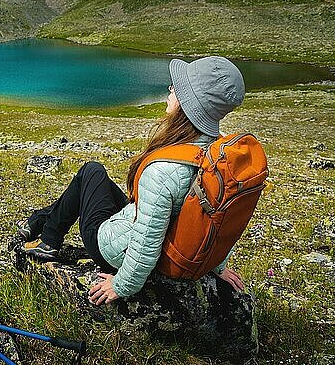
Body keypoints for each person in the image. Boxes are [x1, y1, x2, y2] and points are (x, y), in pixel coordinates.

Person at [19, 56, 246, 306]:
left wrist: (121, 285)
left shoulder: (163, 171)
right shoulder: (219, 155)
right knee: (95, 178)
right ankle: (41, 220)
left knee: (90, 172)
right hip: (153, 233)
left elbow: (146, 243)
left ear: (188, 103)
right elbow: (217, 219)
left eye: (177, 87)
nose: (170, 90)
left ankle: (49, 240)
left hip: (111, 248)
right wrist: (216, 264)